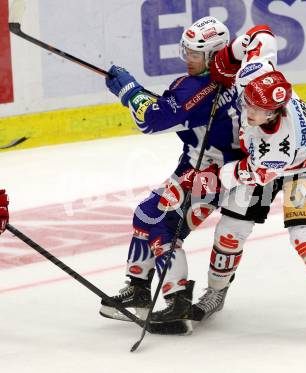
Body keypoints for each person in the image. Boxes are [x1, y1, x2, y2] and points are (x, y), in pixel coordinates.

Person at [191, 25, 306, 343]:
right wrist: (229, 58)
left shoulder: (277, 149)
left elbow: (252, 173)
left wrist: (214, 176)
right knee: (229, 231)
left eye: (257, 111)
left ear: (274, 112)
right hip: (263, 163)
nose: (248, 110)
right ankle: (215, 293)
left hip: (303, 169)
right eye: (248, 102)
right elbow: (262, 34)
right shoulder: (257, 72)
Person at [100, 16, 247, 334]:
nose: (188, 59)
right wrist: (151, 99)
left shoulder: (197, 86)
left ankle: (178, 303)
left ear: (215, 55)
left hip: (208, 174)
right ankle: (139, 288)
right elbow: (176, 110)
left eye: (195, 54)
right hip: (208, 169)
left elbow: (152, 120)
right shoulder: (234, 76)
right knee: (146, 216)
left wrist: (129, 91)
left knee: (160, 223)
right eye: (187, 52)